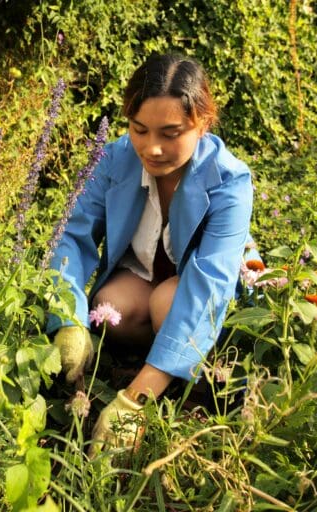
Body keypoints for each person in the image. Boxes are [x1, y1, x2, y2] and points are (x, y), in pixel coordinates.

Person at [46, 53, 257, 455]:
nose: (152, 148)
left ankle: (172, 377)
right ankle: (162, 359)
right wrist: (68, 319)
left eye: (171, 133)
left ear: (202, 123)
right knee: (108, 306)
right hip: (143, 286)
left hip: (196, 299)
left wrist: (134, 399)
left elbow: (208, 287)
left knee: (170, 301)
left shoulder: (230, 182)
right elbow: (71, 237)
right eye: (139, 129)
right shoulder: (114, 158)